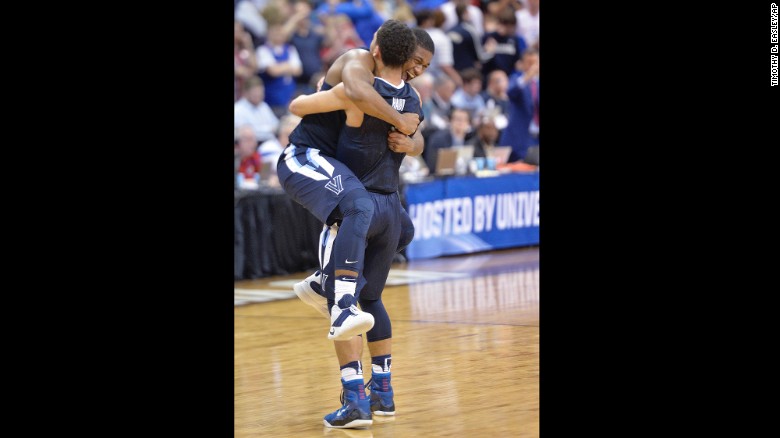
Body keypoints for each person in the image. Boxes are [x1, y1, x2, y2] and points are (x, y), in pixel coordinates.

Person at [287, 23, 428, 430]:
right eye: (419, 61)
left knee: (342, 306)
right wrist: (407, 130)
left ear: (378, 49)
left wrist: (308, 98)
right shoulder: (414, 99)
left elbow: (300, 107)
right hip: (389, 205)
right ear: (408, 60)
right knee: (373, 300)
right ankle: (383, 394)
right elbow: (416, 134)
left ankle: (355, 399)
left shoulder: (358, 88)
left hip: (355, 203)